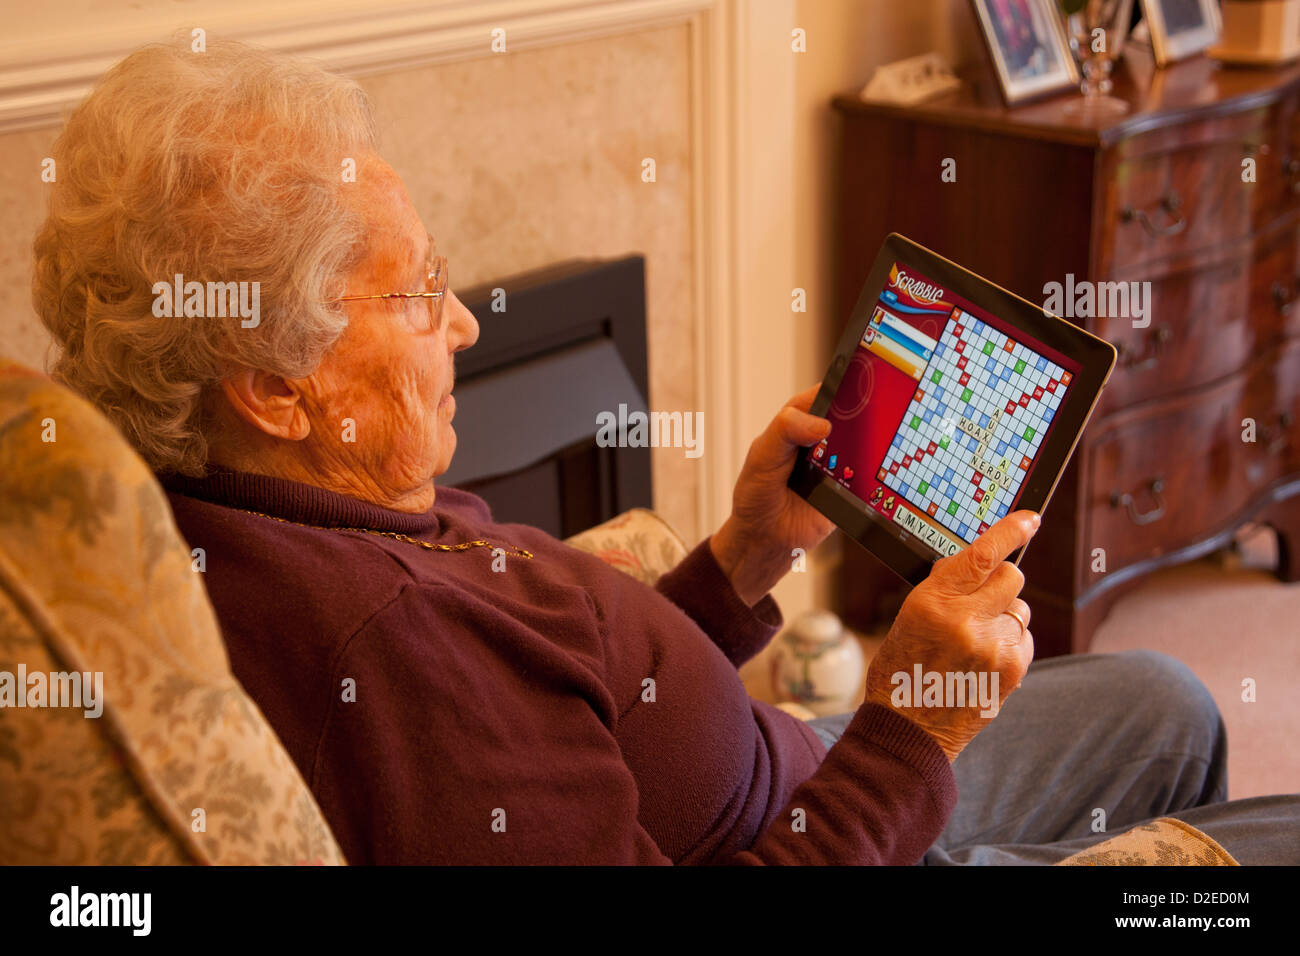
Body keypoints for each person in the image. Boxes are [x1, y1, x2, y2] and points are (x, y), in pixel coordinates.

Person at [32, 37, 1300, 864]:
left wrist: (739, 562)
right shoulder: (392, 655)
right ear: (274, 387)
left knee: (1168, 699)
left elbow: (570, 688)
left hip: (795, 760)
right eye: (417, 294)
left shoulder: (226, 508)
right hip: (845, 825)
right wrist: (914, 722)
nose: (465, 322)